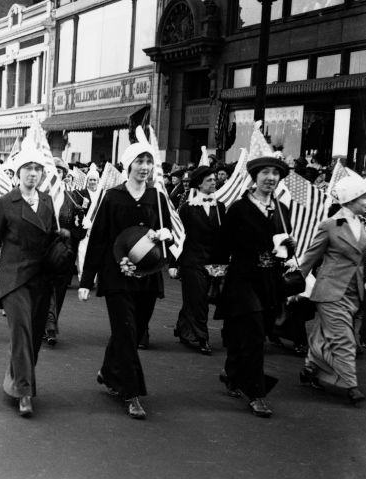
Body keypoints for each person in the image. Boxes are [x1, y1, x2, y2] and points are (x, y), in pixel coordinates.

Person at [79, 133, 173, 420]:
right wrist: (86, 281)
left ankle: (109, 371)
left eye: (149, 162)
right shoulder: (113, 196)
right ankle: (131, 393)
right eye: (139, 161)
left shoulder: (157, 197)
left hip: (148, 275)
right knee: (126, 330)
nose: (144, 167)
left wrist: (164, 237)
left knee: (132, 332)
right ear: (128, 165)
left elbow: (167, 232)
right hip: (116, 275)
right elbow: (97, 239)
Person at [0, 144, 58, 417]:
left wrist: (64, 245)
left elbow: (53, 239)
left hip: (41, 280)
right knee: (21, 332)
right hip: (14, 280)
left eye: (37, 169)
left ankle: (15, 378)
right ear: (18, 172)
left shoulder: (46, 201)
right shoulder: (5, 203)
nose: (33, 174)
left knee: (33, 337)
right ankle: (24, 391)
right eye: (28, 169)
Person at [215, 155, 295, 418]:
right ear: (255, 176)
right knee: (254, 331)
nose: (271, 178)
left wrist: (288, 246)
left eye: (276, 173)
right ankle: (257, 394)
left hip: (270, 281)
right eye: (266, 173)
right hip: (243, 279)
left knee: (250, 331)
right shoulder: (239, 208)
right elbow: (222, 244)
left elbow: (284, 243)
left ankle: (232, 372)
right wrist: (216, 275)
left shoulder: (282, 210)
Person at [298, 173, 366, 405]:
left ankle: (311, 368)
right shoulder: (330, 225)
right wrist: (293, 284)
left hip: (353, 294)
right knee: (343, 339)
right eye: (364, 198)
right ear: (351, 200)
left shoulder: (362, 224)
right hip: (330, 291)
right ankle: (351, 385)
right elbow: (311, 257)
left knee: (324, 333)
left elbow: (365, 259)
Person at [172, 165, 228, 355]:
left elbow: (224, 236)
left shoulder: (220, 207)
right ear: (199, 184)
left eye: (214, 180)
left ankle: (183, 329)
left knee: (196, 298)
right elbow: (178, 236)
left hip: (212, 261)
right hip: (191, 260)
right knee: (198, 300)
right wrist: (174, 263)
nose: (214, 182)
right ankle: (202, 337)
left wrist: (223, 262)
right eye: (210, 180)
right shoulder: (187, 208)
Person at [46, 158, 86, 347]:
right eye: (53, 171)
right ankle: (49, 325)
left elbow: (81, 228)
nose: (56, 174)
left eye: (60, 171)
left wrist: (73, 232)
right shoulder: (39, 195)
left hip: (65, 252)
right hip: (43, 251)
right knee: (45, 288)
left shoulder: (74, 198)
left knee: (59, 289)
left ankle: (51, 322)